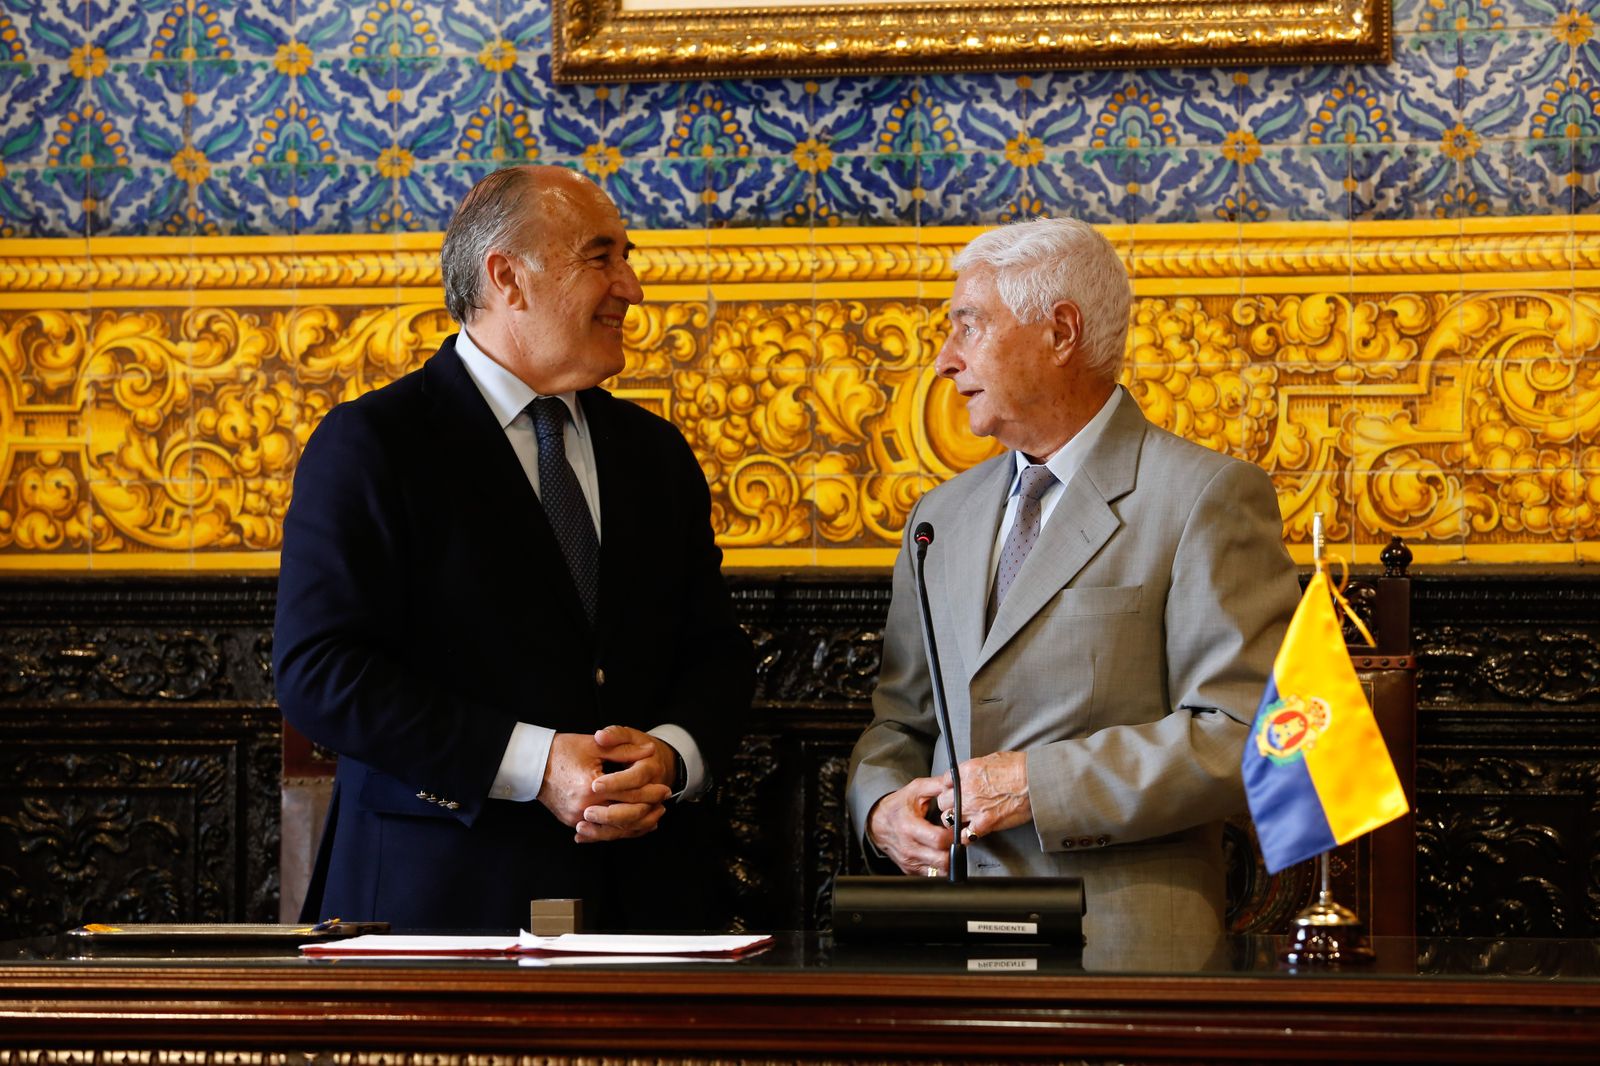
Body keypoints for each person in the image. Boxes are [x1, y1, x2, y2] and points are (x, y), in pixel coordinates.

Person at [274, 165, 754, 932]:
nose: (631, 288)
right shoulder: (375, 445)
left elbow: (718, 656)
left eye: (625, 258)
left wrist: (666, 759)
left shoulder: (653, 453)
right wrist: (535, 766)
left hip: (649, 909)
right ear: (507, 278)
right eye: (602, 258)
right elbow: (322, 673)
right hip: (439, 912)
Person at [845, 216, 1299, 945]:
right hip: (948, 943)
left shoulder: (1204, 497)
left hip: (1123, 948)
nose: (944, 361)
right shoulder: (940, 516)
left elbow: (1250, 733)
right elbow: (901, 721)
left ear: (1060, 332)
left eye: (969, 326)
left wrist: (1038, 786)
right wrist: (881, 807)